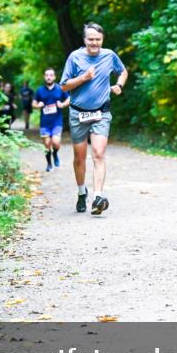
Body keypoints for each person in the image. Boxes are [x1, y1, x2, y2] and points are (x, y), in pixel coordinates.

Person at [60, 22, 128, 215]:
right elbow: (64, 86)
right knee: (80, 157)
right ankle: (82, 192)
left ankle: (98, 196)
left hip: (101, 113)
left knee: (98, 153)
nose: (94, 43)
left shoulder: (109, 55)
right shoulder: (75, 57)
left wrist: (119, 85)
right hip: (78, 113)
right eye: (91, 39)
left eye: (98, 39)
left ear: (102, 39)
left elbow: (123, 71)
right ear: (85, 40)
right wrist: (83, 78)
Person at [33, 67, 70, 172]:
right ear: (44, 77)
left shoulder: (60, 88)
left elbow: (68, 99)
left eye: (51, 75)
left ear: (54, 77)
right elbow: (33, 103)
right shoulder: (40, 90)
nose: (49, 77)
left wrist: (62, 104)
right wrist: (37, 105)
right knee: (47, 145)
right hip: (44, 122)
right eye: (47, 75)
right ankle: (49, 163)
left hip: (56, 121)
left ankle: (55, 153)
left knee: (56, 142)